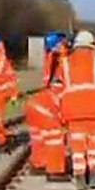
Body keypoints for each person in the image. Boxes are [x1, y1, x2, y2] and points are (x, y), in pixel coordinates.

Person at [58, 30, 95, 189]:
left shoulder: (65, 64)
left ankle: (79, 178)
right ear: (92, 45)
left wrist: (59, 113)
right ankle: (93, 177)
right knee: (94, 147)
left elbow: (58, 90)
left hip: (73, 113)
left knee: (77, 148)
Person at [25, 31, 69, 180]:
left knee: (39, 137)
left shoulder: (51, 60)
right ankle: (55, 171)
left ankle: (38, 164)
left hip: (36, 104)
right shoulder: (62, 63)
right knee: (55, 135)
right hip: (47, 106)